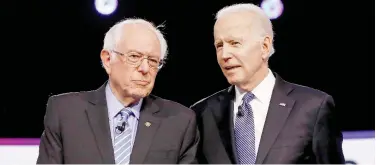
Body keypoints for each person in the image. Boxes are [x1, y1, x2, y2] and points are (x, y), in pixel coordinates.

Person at [190, 3, 345, 164]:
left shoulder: (313, 108)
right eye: (219, 45)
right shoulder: (201, 114)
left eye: (235, 43)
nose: (224, 54)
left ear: (264, 46)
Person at [37, 18, 199, 164]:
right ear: (108, 59)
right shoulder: (66, 112)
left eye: (152, 61)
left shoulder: (180, 121)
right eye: (134, 57)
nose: (144, 68)